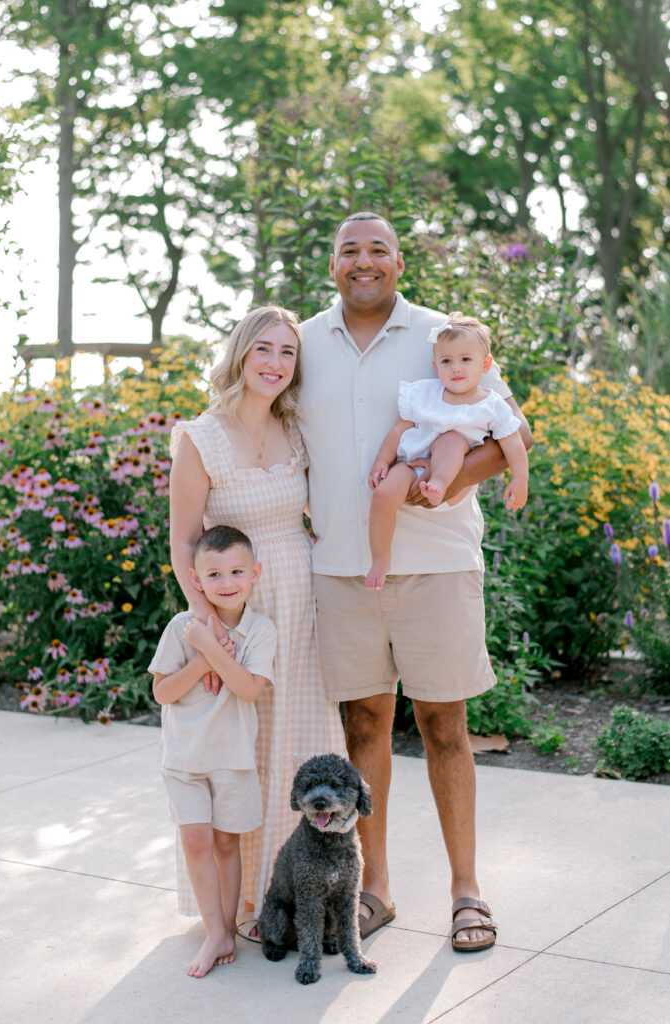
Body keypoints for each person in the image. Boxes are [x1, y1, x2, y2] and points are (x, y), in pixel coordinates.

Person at [298, 211, 532, 951]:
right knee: (363, 725)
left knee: (443, 727)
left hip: (438, 566)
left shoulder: (444, 337)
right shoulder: (299, 343)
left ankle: (465, 892)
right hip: (341, 568)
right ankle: (375, 889)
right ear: (331, 263)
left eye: (377, 250)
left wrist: (449, 481)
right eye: (348, 250)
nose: (363, 261)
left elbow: (509, 436)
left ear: (399, 263)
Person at [168, 305, 346, 940]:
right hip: (237, 608)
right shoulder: (201, 436)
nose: (276, 363)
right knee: (246, 743)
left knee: (300, 734)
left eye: (288, 353)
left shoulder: (295, 430)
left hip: (301, 599)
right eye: (264, 349)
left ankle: (307, 891)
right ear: (241, 353)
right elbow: (184, 540)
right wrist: (207, 626)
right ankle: (248, 900)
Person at [150, 525, 276, 977]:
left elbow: (246, 689)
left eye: (237, 571)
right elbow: (162, 692)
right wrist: (202, 656)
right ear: (196, 580)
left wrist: (214, 650)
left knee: (227, 842)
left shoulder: (261, 632)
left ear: (255, 573)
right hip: (184, 758)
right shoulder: (182, 628)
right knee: (196, 839)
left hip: (233, 757)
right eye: (215, 574)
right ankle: (215, 933)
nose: (227, 583)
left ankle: (226, 928)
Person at [365, 311, 528, 590]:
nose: (456, 368)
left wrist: (520, 479)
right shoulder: (424, 393)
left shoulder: (491, 404)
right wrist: (382, 461)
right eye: (446, 361)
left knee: (452, 439)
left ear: (485, 364)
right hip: (410, 462)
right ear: (435, 365)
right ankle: (380, 559)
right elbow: (399, 428)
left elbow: (513, 441)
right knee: (382, 495)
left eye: (466, 360)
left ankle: (437, 484)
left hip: (451, 466)